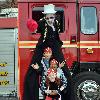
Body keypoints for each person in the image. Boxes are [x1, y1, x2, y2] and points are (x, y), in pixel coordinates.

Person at [24, 4, 72, 100]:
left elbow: (56, 34)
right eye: (48, 17)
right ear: (45, 17)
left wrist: (59, 44)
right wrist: (32, 26)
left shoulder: (56, 22)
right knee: (33, 67)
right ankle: (30, 97)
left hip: (54, 44)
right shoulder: (42, 22)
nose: (50, 19)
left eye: (51, 17)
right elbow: (36, 29)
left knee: (64, 68)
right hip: (43, 45)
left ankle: (67, 95)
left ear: (54, 16)